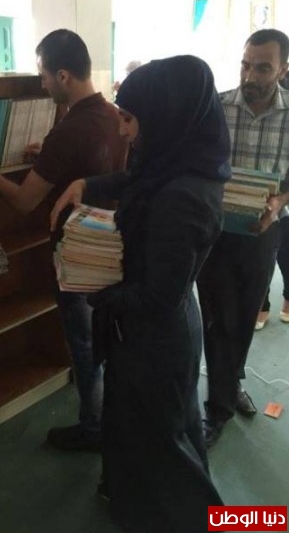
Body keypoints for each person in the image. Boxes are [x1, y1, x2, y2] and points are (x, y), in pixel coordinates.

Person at [51, 55, 229, 533]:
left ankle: (226, 523)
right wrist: (87, 183)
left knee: (167, 446)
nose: (123, 131)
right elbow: (137, 181)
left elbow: (157, 298)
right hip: (155, 331)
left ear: (164, 116)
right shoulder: (178, 163)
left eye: (130, 119)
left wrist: (94, 290)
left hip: (156, 338)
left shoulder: (182, 197)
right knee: (162, 429)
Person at [0, 29, 125, 452]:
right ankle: (109, 418)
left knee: (84, 346)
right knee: (104, 340)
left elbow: (23, 202)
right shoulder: (113, 115)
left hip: (76, 256)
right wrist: (49, 159)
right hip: (110, 247)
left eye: (42, 75)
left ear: (63, 75)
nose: (40, 84)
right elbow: (95, 167)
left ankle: (93, 429)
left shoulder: (68, 131)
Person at [197, 28, 289, 448]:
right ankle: (217, 408)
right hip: (215, 231)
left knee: (246, 314)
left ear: (283, 69)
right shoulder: (216, 107)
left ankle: (230, 382)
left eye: (263, 68)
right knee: (217, 317)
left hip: (263, 232)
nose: (251, 76)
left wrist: (278, 202)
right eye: (246, 65)